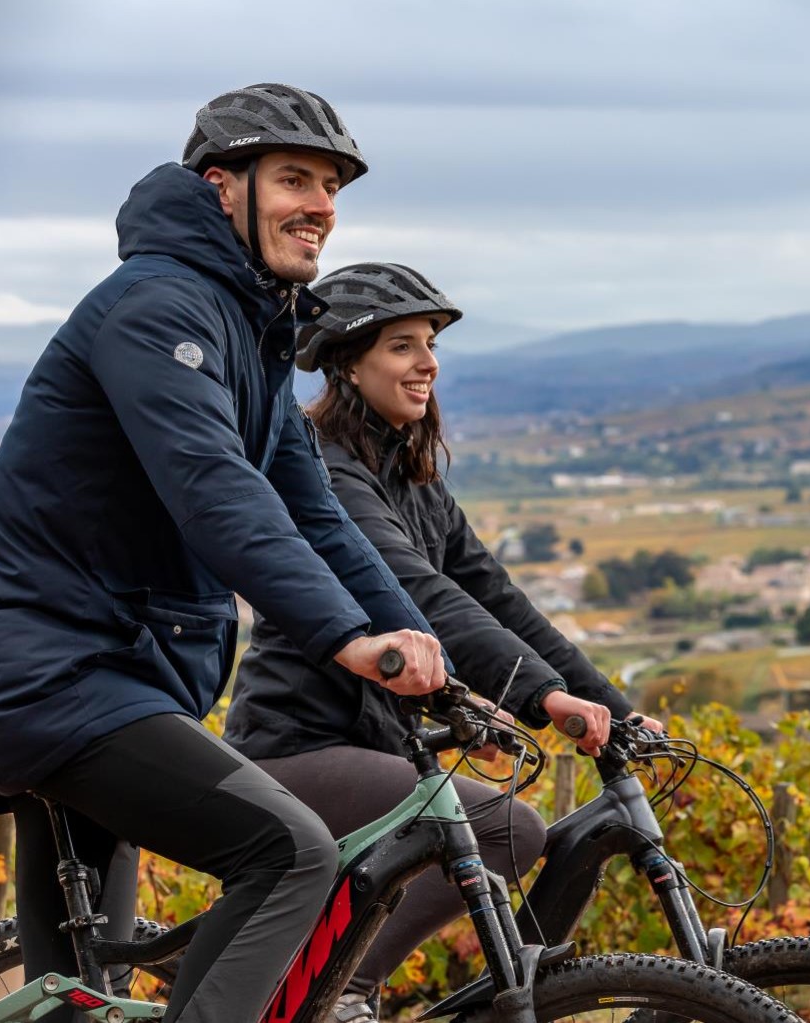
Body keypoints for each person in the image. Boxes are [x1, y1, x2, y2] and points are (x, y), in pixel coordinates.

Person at [0, 85, 450, 1023]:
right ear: (221, 188)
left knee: (77, 998)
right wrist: (346, 638)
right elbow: (215, 490)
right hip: (53, 675)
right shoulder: (158, 308)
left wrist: (420, 650)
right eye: (294, 179)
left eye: (331, 187)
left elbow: (317, 515)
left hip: (111, 678)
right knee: (290, 851)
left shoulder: (248, 330)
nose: (320, 205)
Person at [224, 262, 661, 1020]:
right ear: (348, 365)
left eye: (430, 344)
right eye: (402, 346)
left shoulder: (414, 479)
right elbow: (423, 595)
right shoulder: (330, 474)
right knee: (506, 827)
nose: (427, 362)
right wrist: (541, 698)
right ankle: (343, 987)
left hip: (379, 745)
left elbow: (498, 599)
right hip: (298, 746)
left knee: (505, 832)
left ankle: (335, 980)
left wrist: (610, 707)